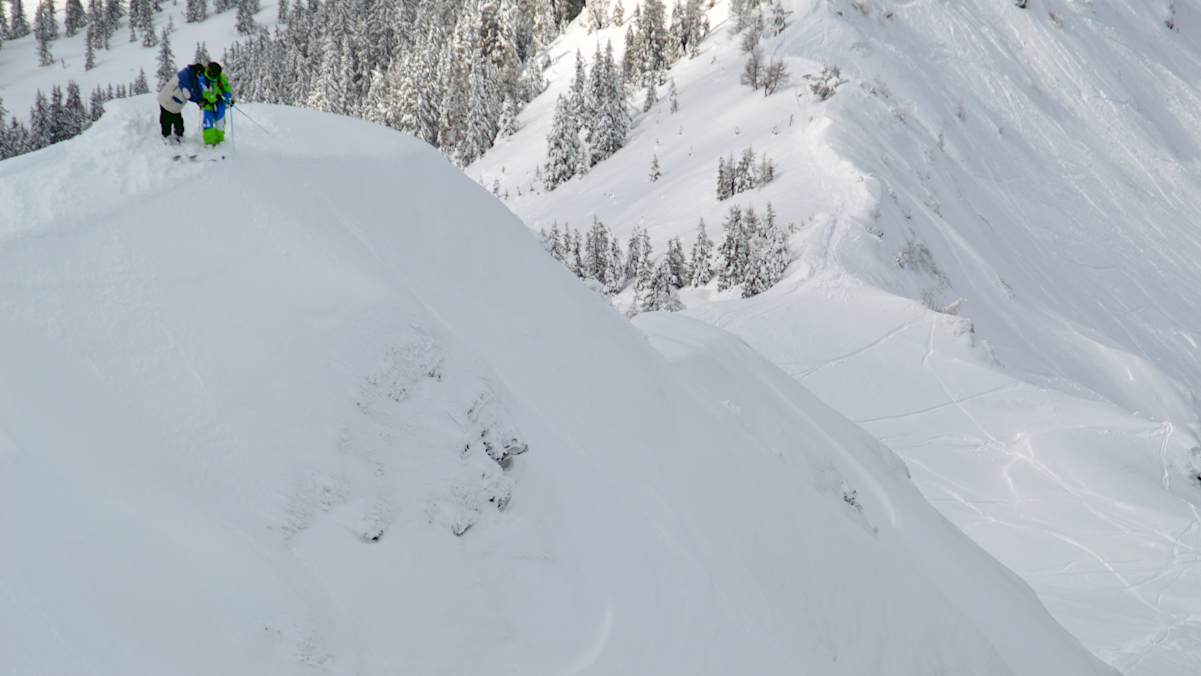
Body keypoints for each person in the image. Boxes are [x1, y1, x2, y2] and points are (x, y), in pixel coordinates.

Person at [156, 64, 206, 144]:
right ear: (197, 72)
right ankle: (166, 137)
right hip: (167, 101)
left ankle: (179, 137)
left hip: (176, 105)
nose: (200, 77)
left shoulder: (192, 76)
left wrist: (201, 98)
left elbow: (196, 89)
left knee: (178, 122)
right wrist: (199, 100)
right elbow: (188, 93)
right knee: (166, 121)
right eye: (200, 75)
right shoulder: (185, 75)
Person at [199, 61, 235, 146]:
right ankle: (209, 143)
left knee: (220, 124)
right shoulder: (203, 79)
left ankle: (220, 143)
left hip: (220, 105)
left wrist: (228, 100)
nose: (215, 76)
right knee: (208, 125)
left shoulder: (221, 77)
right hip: (208, 106)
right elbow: (206, 93)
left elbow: (227, 90)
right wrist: (214, 98)